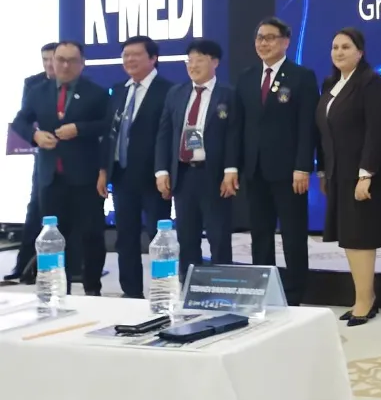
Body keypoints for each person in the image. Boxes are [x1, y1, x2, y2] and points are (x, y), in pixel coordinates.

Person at [316, 28, 381, 326]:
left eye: (346, 47)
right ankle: (361, 296)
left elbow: (379, 131)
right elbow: (324, 132)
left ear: (360, 52)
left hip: (363, 175)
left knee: (361, 237)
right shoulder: (331, 84)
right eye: (335, 47)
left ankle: (366, 300)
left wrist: (366, 174)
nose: (339, 52)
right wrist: (324, 170)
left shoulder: (371, 82)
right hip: (338, 173)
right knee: (350, 238)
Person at [11, 41, 109, 295]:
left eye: (72, 60)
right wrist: (35, 136)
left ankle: (92, 289)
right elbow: (20, 121)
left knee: (91, 236)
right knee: (53, 237)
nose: (65, 65)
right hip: (51, 177)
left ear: (82, 63)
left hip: (85, 177)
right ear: (52, 62)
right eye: (60, 60)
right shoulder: (38, 91)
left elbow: (108, 125)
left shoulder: (96, 93)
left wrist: (79, 129)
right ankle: (57, 290)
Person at [235, 17, 318, 306]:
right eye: (259, 38)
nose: (263, 43)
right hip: (255, 169)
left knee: (293, 235)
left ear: (285, 42)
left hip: (289, 171)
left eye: (270, 38)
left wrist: (303, 166)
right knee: (260, 234)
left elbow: (307, 126)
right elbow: (239, 126)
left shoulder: (301, 76)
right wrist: (236, 166)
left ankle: (295, 294)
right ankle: (263, 290)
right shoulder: (246, 77)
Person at [155, 39, 241, 278]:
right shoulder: (176, 93)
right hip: (183, 175)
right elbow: (164, 134)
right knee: (186, 237)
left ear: (215, 62)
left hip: (214, 175)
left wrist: (231, 170)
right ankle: (188, 286)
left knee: (218, 237)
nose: (192, 66)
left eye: (199, 60)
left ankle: (222, 285)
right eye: (189, 61)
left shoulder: (228, 94)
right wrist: (162, 171)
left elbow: (234, 135)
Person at [100, 36, 173, 299]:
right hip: (122, 175)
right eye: (125, 55)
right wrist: (104, 170)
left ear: (153, 58)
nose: (129, 60)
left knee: (158, 237)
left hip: (154, 178)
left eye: (136, 54)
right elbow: (110, 134)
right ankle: (130, 292)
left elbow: (170, 136)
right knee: (126, 237)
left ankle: (164, 290)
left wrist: (165, 172)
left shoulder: (169, 90)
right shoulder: (119, 90)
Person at [5, 42, 57, 284]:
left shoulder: (80, 83)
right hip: (44, 154)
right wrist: (35, 135)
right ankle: (23, 266)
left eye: (52, 58)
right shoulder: (33, 84)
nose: (49, 64)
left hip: (73, 156)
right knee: (36, 208)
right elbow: (23, 120)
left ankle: (72, 266)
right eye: (44, 59)